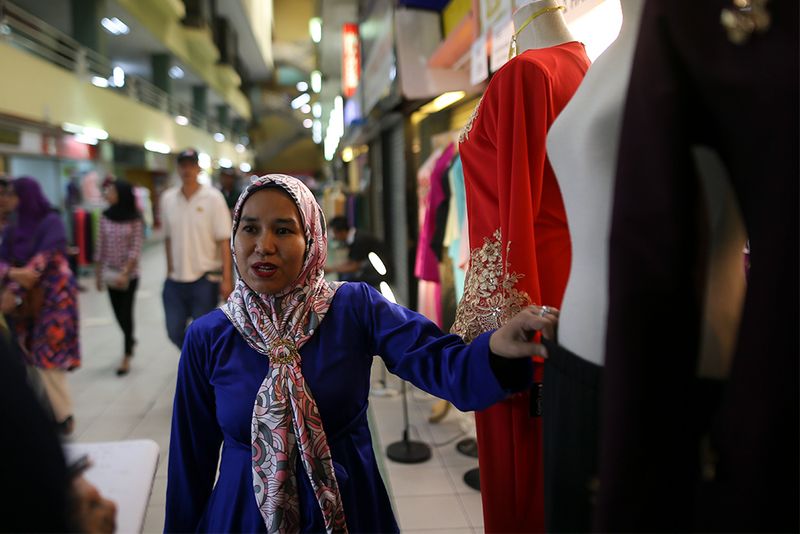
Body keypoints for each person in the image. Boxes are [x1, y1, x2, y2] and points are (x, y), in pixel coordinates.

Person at [165, 174, 559, 532]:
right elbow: (190, 463)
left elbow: (435, 359)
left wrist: (496, 350)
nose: (263, 246)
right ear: (233, 238)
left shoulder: (353, 308)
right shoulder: (209, 337)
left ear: (312, 241)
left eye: (283, 230)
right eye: (250, 229)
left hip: (349, 509)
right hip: (242, 516)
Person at [0, 177, 80, 434]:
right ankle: (48, 416)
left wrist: (12, 287)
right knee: (29, 359)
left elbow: (37, 266)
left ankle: (62, 417)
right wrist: (13, 279)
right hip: (25, 305)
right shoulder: (13, 228)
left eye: (13, 195)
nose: (9, 200)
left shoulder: (51, 222)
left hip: (55, 304)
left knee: (49, 359)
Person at [160, 149, 233, 349]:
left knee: (203, 333)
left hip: (205, 279)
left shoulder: (213, 198)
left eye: (191, 165)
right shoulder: (168, 199)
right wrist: (169, 269)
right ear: (178, 168)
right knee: (174, 331)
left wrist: (227, 279)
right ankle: (196, 362)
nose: (187, 170)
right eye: (183, 165)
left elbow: (224, 241)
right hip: (175, 280)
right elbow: (167, 238)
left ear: (198, 168)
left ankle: (199, 368)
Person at [94, 180, 144, 376]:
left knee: (126, 312)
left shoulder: (135, 218)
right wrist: (98, 274)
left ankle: (126, 354)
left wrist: (125, 272)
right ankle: (129, 338)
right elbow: (100, 246)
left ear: (122, 194)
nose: (108, 193)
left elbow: (136, 247)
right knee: (117, 314)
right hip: (109, 272)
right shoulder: (105, 216)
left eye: (112, 190)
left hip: (129, 275)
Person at [326, 215, 387, 287]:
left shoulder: (359, 240)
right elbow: (351, 261)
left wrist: (331, 270)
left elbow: (355, 266)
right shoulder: (354, 237)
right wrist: (333, 269)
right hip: (371, 269)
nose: (333, 237)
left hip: (379, 273)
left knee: (346, 280)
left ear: (340, 232)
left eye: (333, 233)